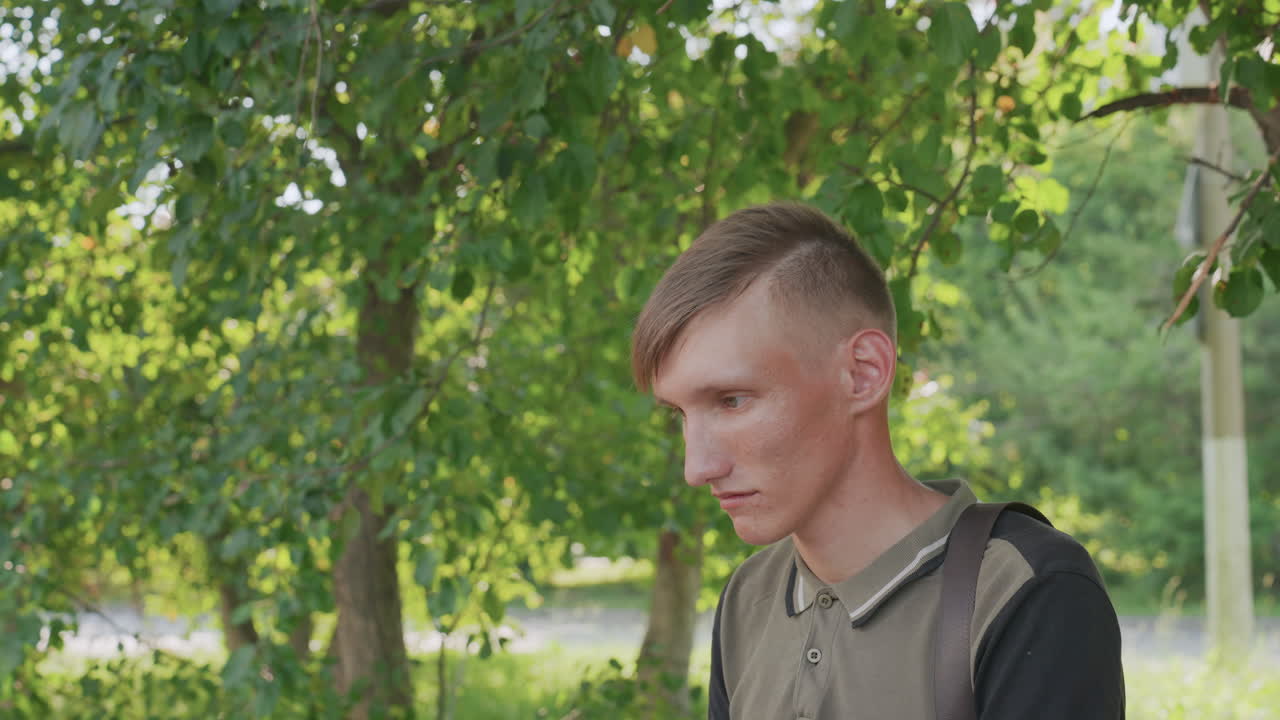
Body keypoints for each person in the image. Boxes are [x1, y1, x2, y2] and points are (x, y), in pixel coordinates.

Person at [630, 202, 1124, 719]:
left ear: (863, 373)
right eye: (677, 414)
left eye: (732, 400)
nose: (696, 468)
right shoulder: (747, 599)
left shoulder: (1024, 592)